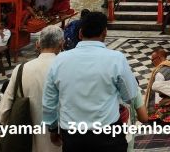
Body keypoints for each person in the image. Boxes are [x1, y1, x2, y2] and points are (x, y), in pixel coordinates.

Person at [42, 11, 139, 151]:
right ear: (105, 33)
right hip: (108, 136)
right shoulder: (116, 59)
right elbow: (129, 96)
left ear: (80, 34)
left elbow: (49, 102)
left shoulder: (60, 60)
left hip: (73, 137)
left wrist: (52, 129)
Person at [0, 25, 64, 152]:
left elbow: (2, 114)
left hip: (28, 144)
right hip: (60, 143)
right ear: (62, 44)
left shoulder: (21, 70)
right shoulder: (68, 69)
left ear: (37, 45)